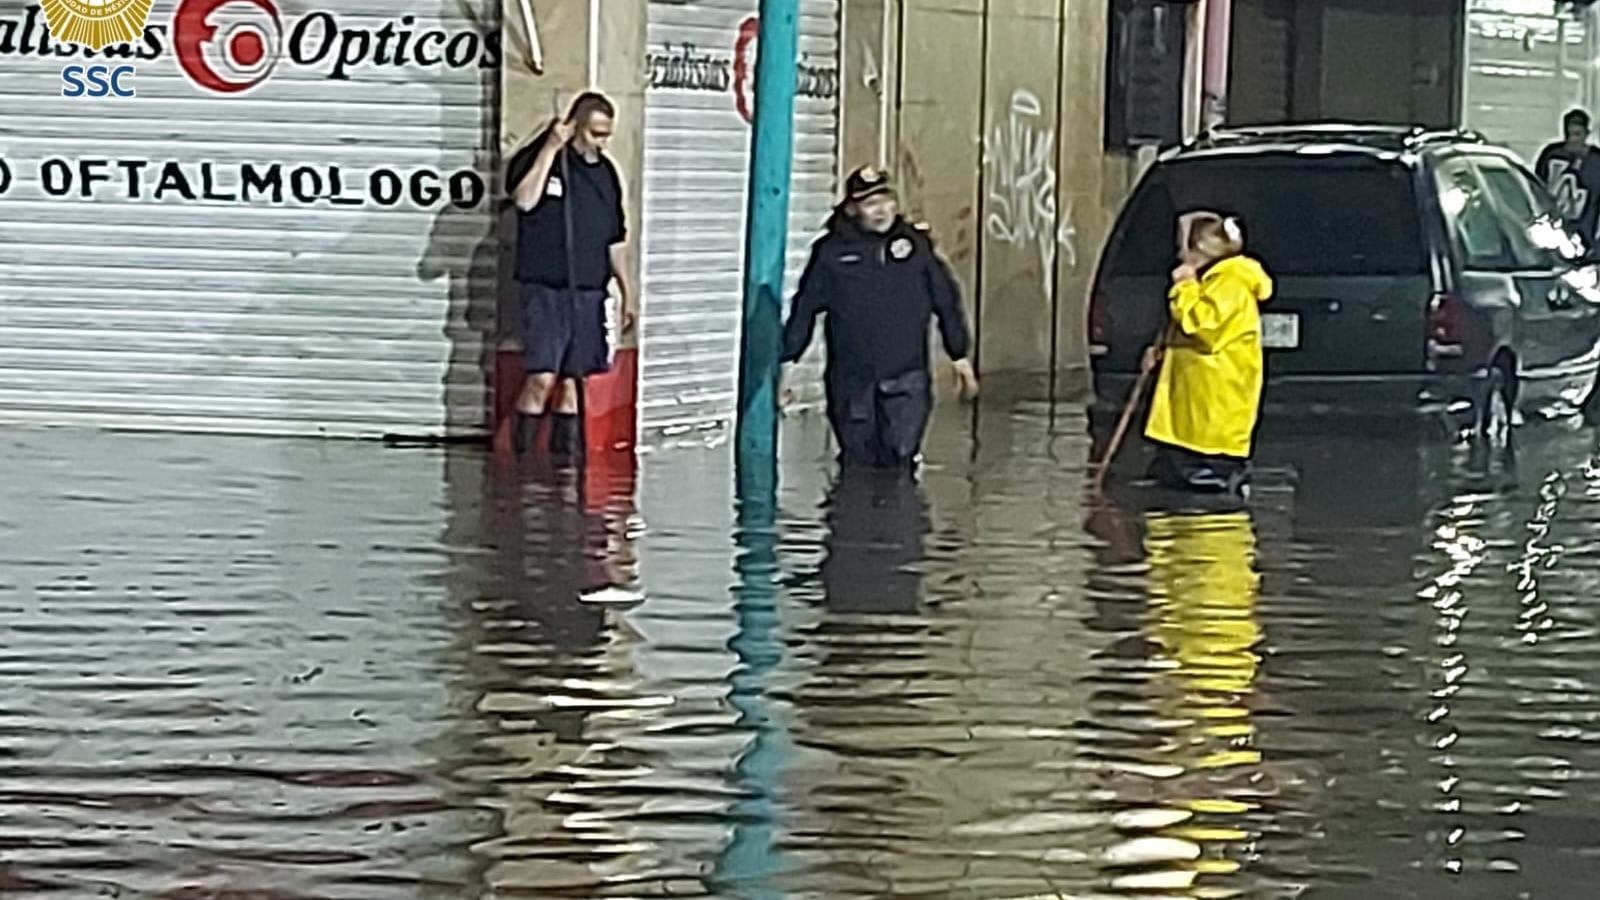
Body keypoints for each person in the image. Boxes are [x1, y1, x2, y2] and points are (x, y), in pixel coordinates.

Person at [780, 166, 979, 470]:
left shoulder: (915, 247)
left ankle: (902, 516)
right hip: (851, 382)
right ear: (852, 208)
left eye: (886, 200)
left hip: (905, 379)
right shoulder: (832, 252)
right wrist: (787, 364)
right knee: (856, 468)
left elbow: (945, 298)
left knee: (900, 463)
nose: (880, 211)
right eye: (870, 203)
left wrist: (959, 354)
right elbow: (805, 308)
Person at [506, 91, 637, 460]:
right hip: (547, 289)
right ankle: (522, 463)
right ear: (574, 127)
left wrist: (628, 292)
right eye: (595, 133)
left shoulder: (606, 173)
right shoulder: (543, 160)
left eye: (606, 134)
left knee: (573, 384)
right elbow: (524, 201)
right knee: (542, 377)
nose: (601, 142)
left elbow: (615, 238)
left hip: (589, 291)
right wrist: (550, 147)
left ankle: (565, 468)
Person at [1142, 212, 1274, 498]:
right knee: (1176, 491)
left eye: (1183, 247)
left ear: (1200, 249)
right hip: (1194, 414)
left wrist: (1184, 287)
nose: (1178, 254)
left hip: (1213, 418)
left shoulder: (1232, 282)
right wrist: (1165, 348)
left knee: (1206, 498)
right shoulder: (1215, 281)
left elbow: (1203, 327)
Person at [1535, 109, 1600, 244]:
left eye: (1577, 134)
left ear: (1586, 134)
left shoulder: (1596, 159)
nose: (1572, 140)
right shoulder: (1551, 154)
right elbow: (1537, 188)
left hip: (1586, 230)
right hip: (1554, 228)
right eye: (1569, 134)